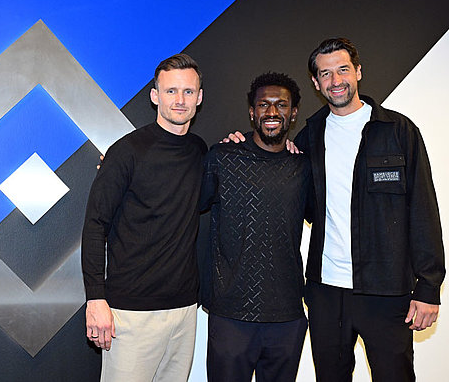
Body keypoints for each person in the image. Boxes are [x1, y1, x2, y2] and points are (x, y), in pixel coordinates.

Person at [227, 38, 445, 381]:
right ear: (316, 84)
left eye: (343, 69)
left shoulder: (398, 131)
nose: (335, 80)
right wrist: (236, 144)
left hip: (386, 292)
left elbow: (423, 210)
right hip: (326, 293)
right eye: (325, 73)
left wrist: (429, 287)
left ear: (358, 71)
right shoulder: (310, 136)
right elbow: (290, 189)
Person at [81, 53, 206, 382]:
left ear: (199, 97)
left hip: (184, 310)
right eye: (171, 91)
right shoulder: (126, 152)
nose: (180, 100)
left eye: (188, 92)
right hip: (130, 313)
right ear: (155, 96)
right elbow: (95, 226)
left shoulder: (199, 151)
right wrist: (95, 299)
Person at [200, 73, 311, 382]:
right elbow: (182, 202)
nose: (272, 113)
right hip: (231, 315)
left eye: (281, 105)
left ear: (293, 113)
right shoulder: (222, 158)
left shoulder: (304, 167)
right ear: (252, 112)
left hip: (287, 316)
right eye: (264, 104)